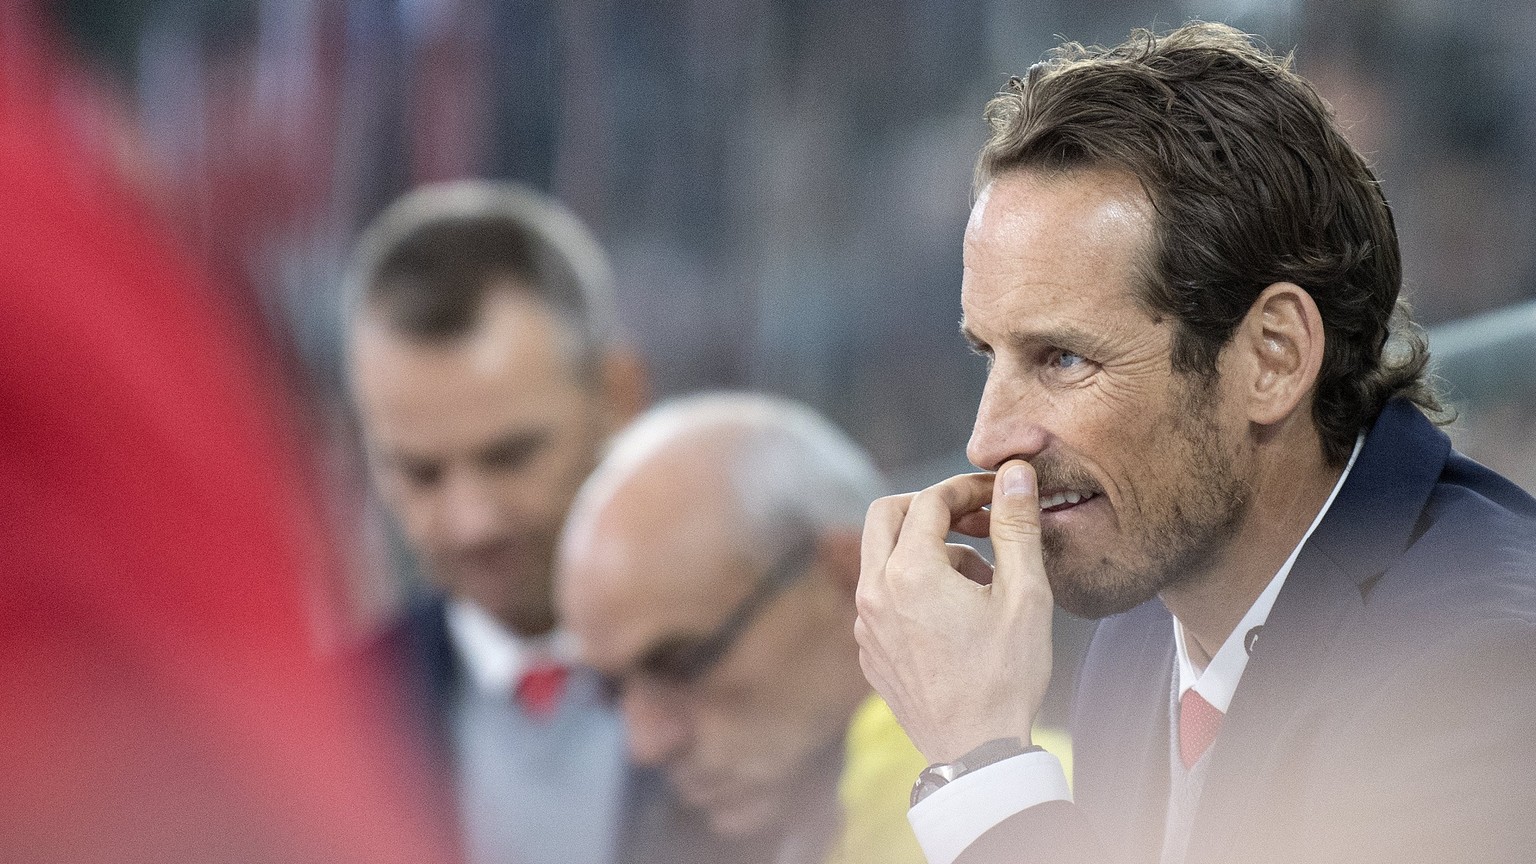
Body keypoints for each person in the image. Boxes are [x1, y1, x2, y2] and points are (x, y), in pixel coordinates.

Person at [853, 23, 1536, 864]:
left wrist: (982, 765)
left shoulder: (1486, 668)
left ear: (1273, 357)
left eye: (1062, 357)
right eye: (989, 355)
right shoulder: (1141, 634)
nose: (990, 439)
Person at [346, 179, 647, 864]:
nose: (472, 522)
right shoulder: (318, 728)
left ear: (618, 395)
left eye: (512, 457)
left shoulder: (780, 675)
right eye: (419, 473)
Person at [556, 392, 946, 864]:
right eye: (610, 689)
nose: (646, 745)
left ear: (849, 583)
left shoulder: (1013, 826)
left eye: (681, 666)